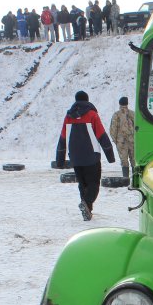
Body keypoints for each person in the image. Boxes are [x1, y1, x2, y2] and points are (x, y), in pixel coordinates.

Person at [60, 90, 115, 220]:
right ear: (87, 99)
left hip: (75, 156)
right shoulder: (92, 115)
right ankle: (86, 203)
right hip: (92, 155)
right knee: (93, 183)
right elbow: (101, 134)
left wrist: (60, 159)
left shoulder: (69, 116)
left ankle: (87, 210)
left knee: (82, 184)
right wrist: (110, 155)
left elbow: (63, 137)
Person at [109, 96, 136, 179]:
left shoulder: (116, 115)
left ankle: (125, 179)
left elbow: (113, 129)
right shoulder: (133, 114)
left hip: (121, 142)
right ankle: (136, 179)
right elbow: (138, 128)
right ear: (127, 103)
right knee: (134, 160)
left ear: (119, 104)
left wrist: (116, 141)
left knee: (124, 161)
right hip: (133, 141)